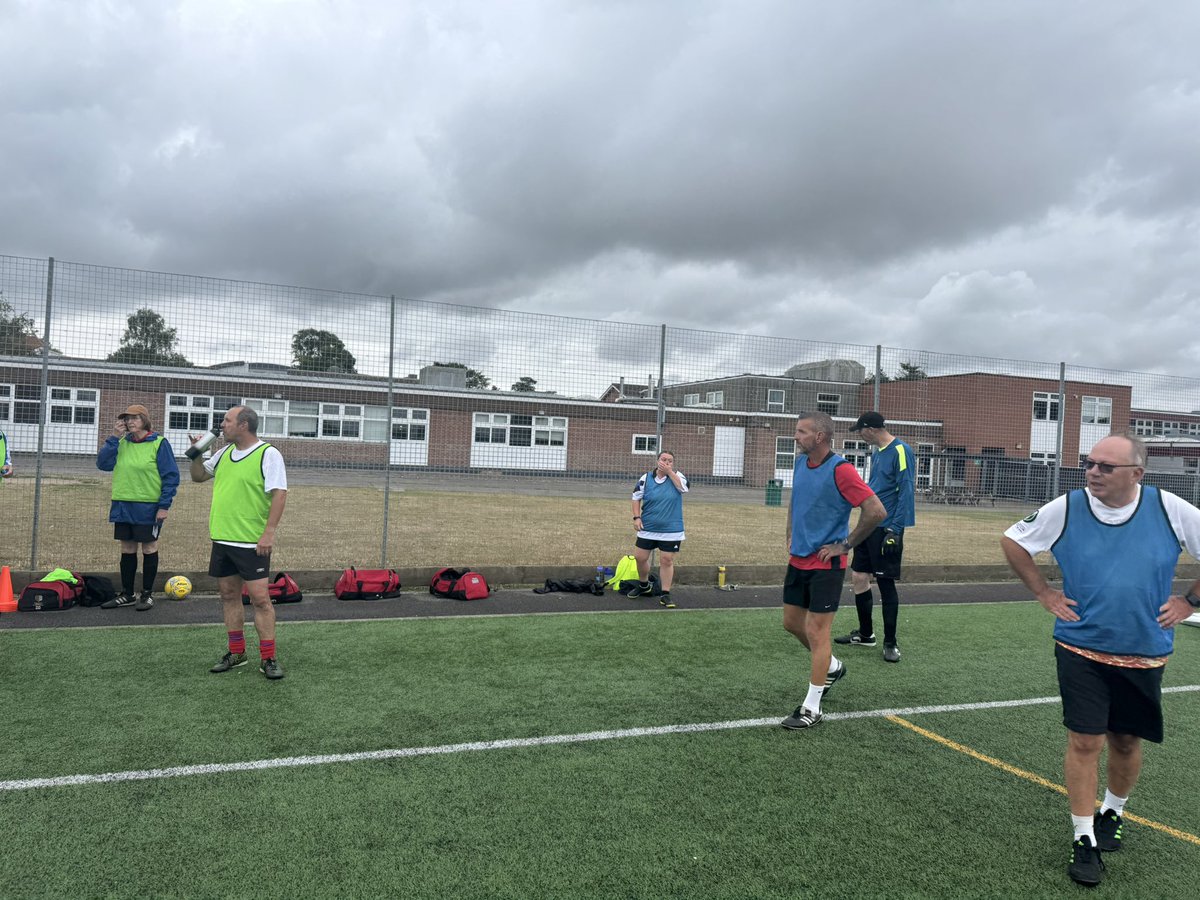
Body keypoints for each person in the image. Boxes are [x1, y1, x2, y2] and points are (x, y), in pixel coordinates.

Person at [1001, 434, 1200, 887]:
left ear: (1137, 474)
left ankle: (1114, 810)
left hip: (1144, 650)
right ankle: (1083, 837)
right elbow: (1014, 541)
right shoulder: (1067, 507)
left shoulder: (1168, 508)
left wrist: (1189, 601)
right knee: (1085, 741)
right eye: (1089, 463)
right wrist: (1043, 592)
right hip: (1080, 647)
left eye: (1106, 466)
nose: (1093, 472)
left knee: (1125, 741)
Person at [781, 411, 885, 729]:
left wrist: (845, 545)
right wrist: (789, 531)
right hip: (798, 559)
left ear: (820, 437)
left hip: (827, 564)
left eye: (801, 432)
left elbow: (875, 511)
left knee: (817, 631)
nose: (796, 436)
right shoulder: (800, 463)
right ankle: (833, 666)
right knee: (791, 624)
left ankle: (812, 707)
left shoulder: (841, 470)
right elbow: (796, 501)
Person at [190, 405, 288, 680]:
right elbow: (198, 476)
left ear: (244, 425)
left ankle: (268, 658)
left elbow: (279, 493)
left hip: (251, 542)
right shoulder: (223, 453)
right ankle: (237, 653)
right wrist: (196, 454)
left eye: (227, 420)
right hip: (223, 539)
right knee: (228, 596)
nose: (222, 425)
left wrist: (269, 532)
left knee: (260, 600)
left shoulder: (267, 454)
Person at [836, 411, 916, 662]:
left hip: (887, 528)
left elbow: (906, 490)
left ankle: (890, 643)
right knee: (859, 576)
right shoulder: (878, 452)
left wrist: (896, 530)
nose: (860, 435)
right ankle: (866, 634)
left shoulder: (901, 450)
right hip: (869, 524)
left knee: (885, 583)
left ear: (870, 429)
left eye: (860, 431)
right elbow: (877, 487)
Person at [96, 404, 180, 611]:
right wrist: (113, 437)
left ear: (145, 420)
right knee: (127, 548)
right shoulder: (121, 443)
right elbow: (103, 464)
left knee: (149, 547)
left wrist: (164, 506)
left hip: (148, 506)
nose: (130, 422)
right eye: (127, 418)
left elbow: (171, 476)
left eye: (135, 418)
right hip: (123, 503)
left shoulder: (159, 443)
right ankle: (127, 594)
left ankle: (147, 594)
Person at [626, 450, 688, 609]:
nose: (666, 463)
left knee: (666, 560)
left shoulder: (678, 476)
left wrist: (670, 473)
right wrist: (636, 517)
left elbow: (683, 488)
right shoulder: (646, 478)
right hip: (648, 527)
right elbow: (636, 497)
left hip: (671, 530)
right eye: (663, 459)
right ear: (657, 461)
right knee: (640, 558)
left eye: (670, 461)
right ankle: (644, 585)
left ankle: (665, 594)